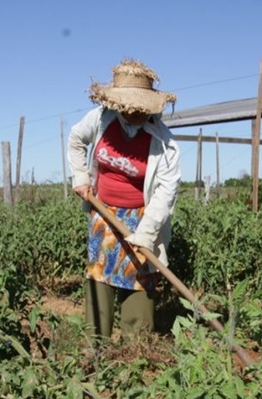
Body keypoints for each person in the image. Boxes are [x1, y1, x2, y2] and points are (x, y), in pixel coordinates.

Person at [67, 59, 182, 341]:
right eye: (129, 108)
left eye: (140, 109)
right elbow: (76, 139)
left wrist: (146, 233)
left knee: (140, 282)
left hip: (142, 217)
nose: (134, 113)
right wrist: (80, 178)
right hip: (102, 212)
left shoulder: (164, 143)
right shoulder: (100, 119)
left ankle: (135, 352)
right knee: (100, 277)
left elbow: (166, 192)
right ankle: (95, 348)